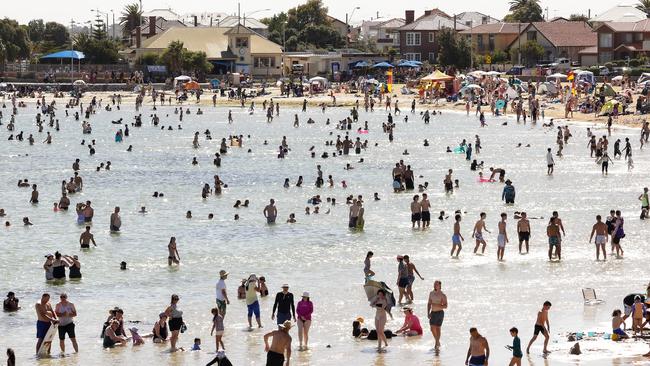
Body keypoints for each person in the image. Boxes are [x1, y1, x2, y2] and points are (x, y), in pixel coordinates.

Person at [428, 281, 447, 351]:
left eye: (436, 284)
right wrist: (428, 312)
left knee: (438, 328)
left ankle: (436, 343)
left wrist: (437, 305)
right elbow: (429, 303)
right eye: (434, 284)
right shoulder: (431, 293)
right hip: (433, 312)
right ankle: (437, 341)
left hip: (440, 313)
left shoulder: (443, 295)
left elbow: (446, 306)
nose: (435, 285)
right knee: (432, 328)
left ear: (440, 286)